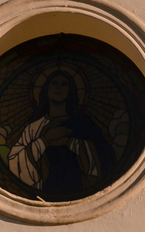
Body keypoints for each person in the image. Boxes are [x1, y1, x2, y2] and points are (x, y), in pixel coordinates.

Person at [7, 70, 116, 201]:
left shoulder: (83, 125)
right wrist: (45, 140)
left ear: (70, 91)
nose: (58, 87)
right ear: (46, 90)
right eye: (54, 83)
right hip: (44, 187)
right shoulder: (33, 128)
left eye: (64, 84)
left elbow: (104, 155)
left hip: (77, 185)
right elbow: (15, 160)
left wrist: (69, 142)